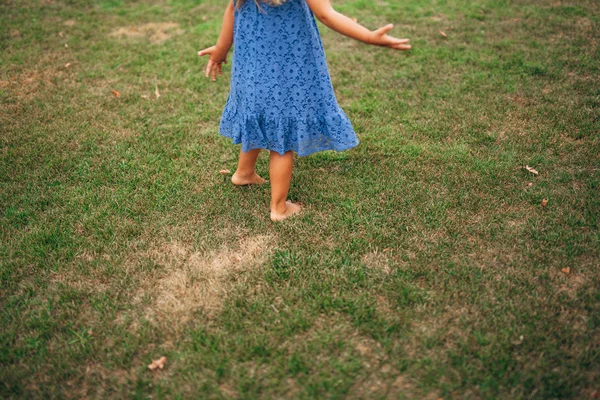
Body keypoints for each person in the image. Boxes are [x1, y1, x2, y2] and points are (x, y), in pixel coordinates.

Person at [199, 0, 411, 221]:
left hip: (252, 70)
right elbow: (326, 14)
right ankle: (279, 208)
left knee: (258, 117)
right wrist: (370, 36)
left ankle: (244, 173)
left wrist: (220, 50)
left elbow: (232, 10)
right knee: (282, 137)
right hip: (286, 69)